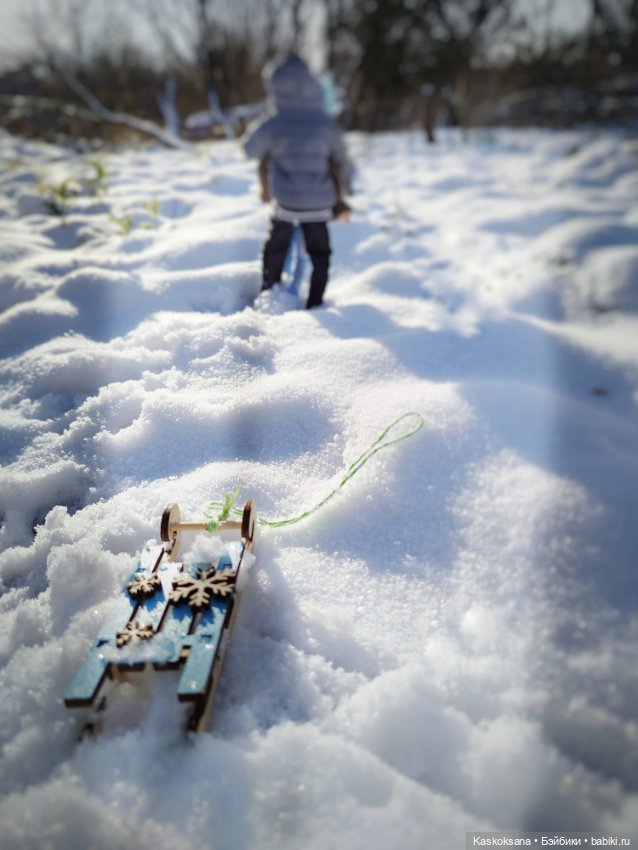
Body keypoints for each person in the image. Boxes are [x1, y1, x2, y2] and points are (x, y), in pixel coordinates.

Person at [242, 54, 354, 309]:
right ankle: (315, 302)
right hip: (319, 203)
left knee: (276, 246)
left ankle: (269, 293)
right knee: (320, 252)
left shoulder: (274, 123)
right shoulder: (325, 123)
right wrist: (346, 190)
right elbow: (342, 161)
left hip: (286, 202)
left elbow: (249, 149)